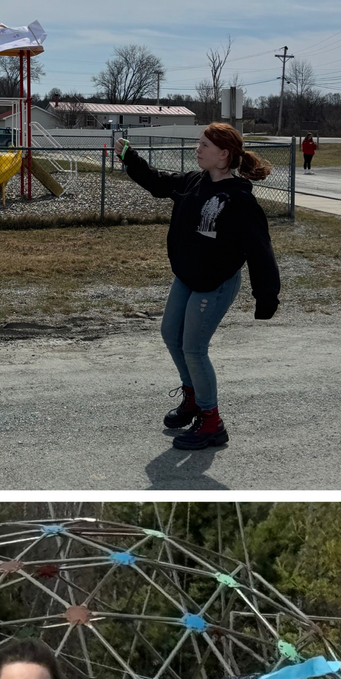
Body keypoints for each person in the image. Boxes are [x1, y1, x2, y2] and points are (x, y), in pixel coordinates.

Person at [116, 125, 280, 450]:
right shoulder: (194, 182)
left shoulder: (239, 199)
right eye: (198, 143)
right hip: (187, 278)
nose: (198, 149)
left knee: (194, 348)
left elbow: (261, 251)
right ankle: (192, 397)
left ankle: (211, 422)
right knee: (169, 333)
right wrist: (129, 157)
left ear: (224, 155)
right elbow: (158, 182)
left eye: (204, 145)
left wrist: (266, 297)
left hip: (214, 285)